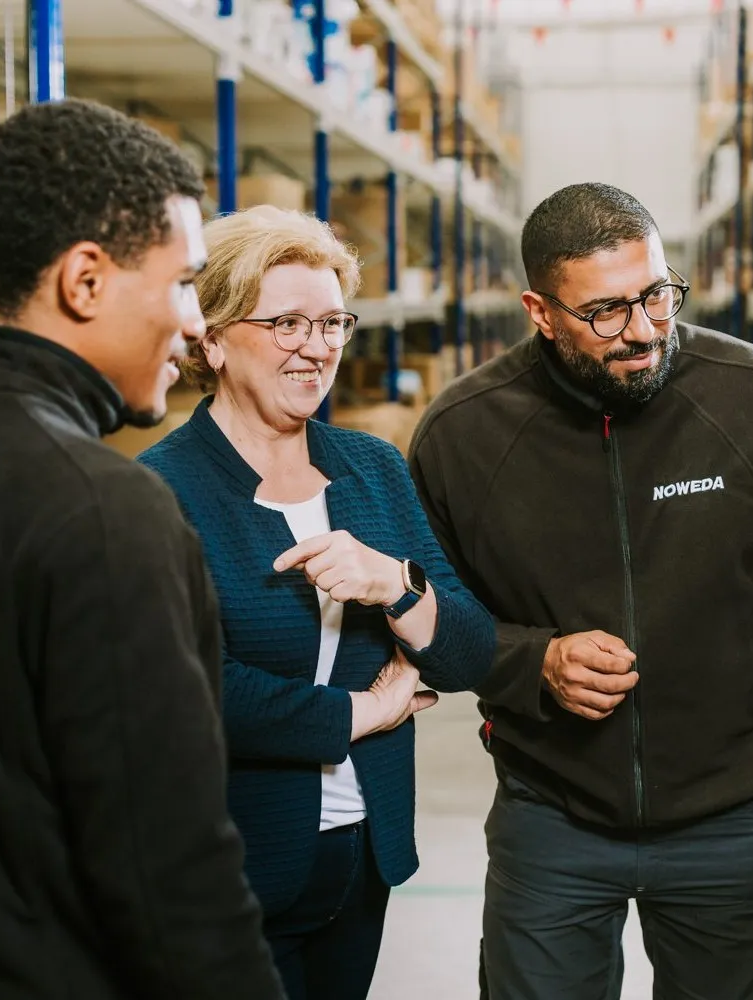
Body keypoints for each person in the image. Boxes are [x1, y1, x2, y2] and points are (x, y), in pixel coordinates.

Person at [406, 181, 753, 999]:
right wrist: (530, 660)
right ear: (540, 312)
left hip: (734, 818)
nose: (645, 331)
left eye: (657, 295)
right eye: (606, 313)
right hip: (550, 815)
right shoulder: (463, 435)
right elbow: (433, 620)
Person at [0, 99, 284, 998]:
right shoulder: (106, 514)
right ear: (85, 281)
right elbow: (169, 869)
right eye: (181, 284)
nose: (194, 326)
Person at [137, 204, 496, 1000]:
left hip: (361, 855)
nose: (318, 347)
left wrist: (394, 586)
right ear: (215, 337)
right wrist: (373, 710)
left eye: (334, 321)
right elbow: (197, 692)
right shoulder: (162, 491)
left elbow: (470, 650)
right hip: (231, 866)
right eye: (288, 322)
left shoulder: (372, 469)